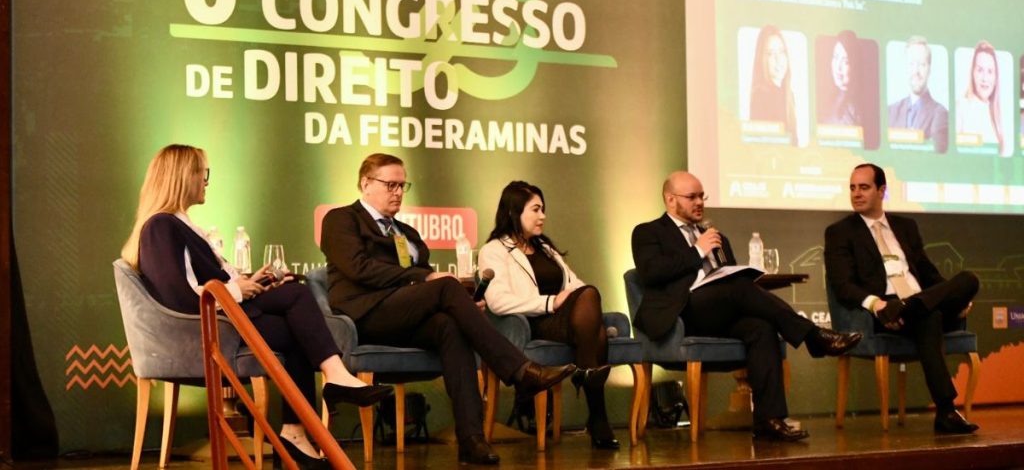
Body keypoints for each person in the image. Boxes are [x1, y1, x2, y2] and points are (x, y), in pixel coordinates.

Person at [121, 144, 392, 470]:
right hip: (209, 327)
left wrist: (250, 281)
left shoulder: (180, 224)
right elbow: (181, 298)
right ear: (181, 177)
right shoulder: (161, 227)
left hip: (226, 313)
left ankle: (299, 429)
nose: (206, 181)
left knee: (295, 307)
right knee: (297, 304)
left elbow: (207, 281)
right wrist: (238, 289)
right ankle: (325, 391)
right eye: (201, 173)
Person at [319, 153, 576, 465]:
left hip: (405, 314)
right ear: (365, 184)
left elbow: (425, 287)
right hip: (364, 314)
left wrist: (464, 304)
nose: (398, 192)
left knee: (451, 327)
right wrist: (426, 277)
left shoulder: (407, 233)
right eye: (390, 184)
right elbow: (360, 269)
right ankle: (519, 371)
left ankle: (471, 440)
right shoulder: (341, 218)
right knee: (446, 286)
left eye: (403, 185)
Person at [631, 172, 862, 442]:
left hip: (719, 313)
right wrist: (696, 251)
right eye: (691, 197)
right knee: (740, 288)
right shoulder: (648, 232)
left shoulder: (715, 236)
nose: (699, 202)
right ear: (671, 200)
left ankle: (768, 420)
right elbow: (650, 273)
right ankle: (813, 336)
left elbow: (728, 279)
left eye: (701, 196)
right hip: (681, 314)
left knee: (761, 327)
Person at [824, 163, 980, 434]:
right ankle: (946, 412)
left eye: (864, 187)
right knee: (930, 317)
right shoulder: (840, 232)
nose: (856, 194)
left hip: (912, 303)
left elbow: (928, 273)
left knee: (969, 281)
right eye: (852, 188)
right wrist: (877, 304)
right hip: (884, 308)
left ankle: (911, 307)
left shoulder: (906, 226)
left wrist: (954, 297)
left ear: (882, 190)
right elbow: (842, 286)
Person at [478, 181, 618, 449]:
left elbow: (573, 284)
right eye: (536, 209)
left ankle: (588, 384)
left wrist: (571, 298)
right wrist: (550, 302)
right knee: (594, 327)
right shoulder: (494, 250)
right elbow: (497, 302)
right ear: (513, 212)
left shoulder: (545, 248)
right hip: (534, 323)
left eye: (543, 209)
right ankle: (598, 416)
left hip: (565, 321)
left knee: (588, 294)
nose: (543, 216)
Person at [888, 36, 949, 153]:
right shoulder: (891, 112)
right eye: (912, 64)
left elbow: (937, 155)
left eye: (922, 64)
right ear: (906, 68)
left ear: (929, 70)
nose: (916, 71)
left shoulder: (940, 113)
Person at [956, 40, 1008, 156]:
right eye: (980, 70)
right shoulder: (961, 107)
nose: (985, 78)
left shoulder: (998, 114)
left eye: (990, 71)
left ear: (996, 78)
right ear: (973, 73)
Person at [748, 25, 796, 139]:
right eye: (770, 54)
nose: (778, 59)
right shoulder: (761, 96)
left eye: (781, 51)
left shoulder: (788, 94)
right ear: (762, 60)